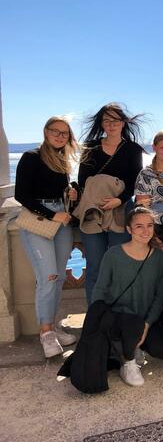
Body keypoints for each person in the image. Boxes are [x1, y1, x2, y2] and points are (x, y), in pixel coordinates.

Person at [15, 116, 79, 357]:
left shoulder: (62, 160)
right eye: (56, 131)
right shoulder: (31, 157)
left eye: (65, 133)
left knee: (60, 277)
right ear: (46, 131)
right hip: (39, 222)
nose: (60, 136)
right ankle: (45, 333)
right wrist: (52, 215)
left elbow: (53, 190)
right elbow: (22, 194)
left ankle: (52, 326)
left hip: (61, 222)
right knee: (48, 277)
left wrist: (69, 193)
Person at [92, 207, 163, 387]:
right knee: (130, 326)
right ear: (129, 229)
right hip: (119, 318)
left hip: (144, 319)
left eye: (149, 226)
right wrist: (94, 320)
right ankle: (127, 362)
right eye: (139, 227)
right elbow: (100, 289)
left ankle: (131, 346)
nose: (145, 231)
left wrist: (147, 324)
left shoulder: (159, 257)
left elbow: (161, 295)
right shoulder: (113, 255)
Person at [77, 103, 145, 304]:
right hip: (93, 213)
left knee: (120, 265)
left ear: (123, 123)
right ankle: (95, 316)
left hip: (121, 211)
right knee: (95, 267)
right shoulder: (91, 147)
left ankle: (117, 315)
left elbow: (135, 181)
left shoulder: (132, 149)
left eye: (115, 120)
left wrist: (119, 199)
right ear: (101, 123)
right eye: (106, 120)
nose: (111, 124)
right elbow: (82, 180)